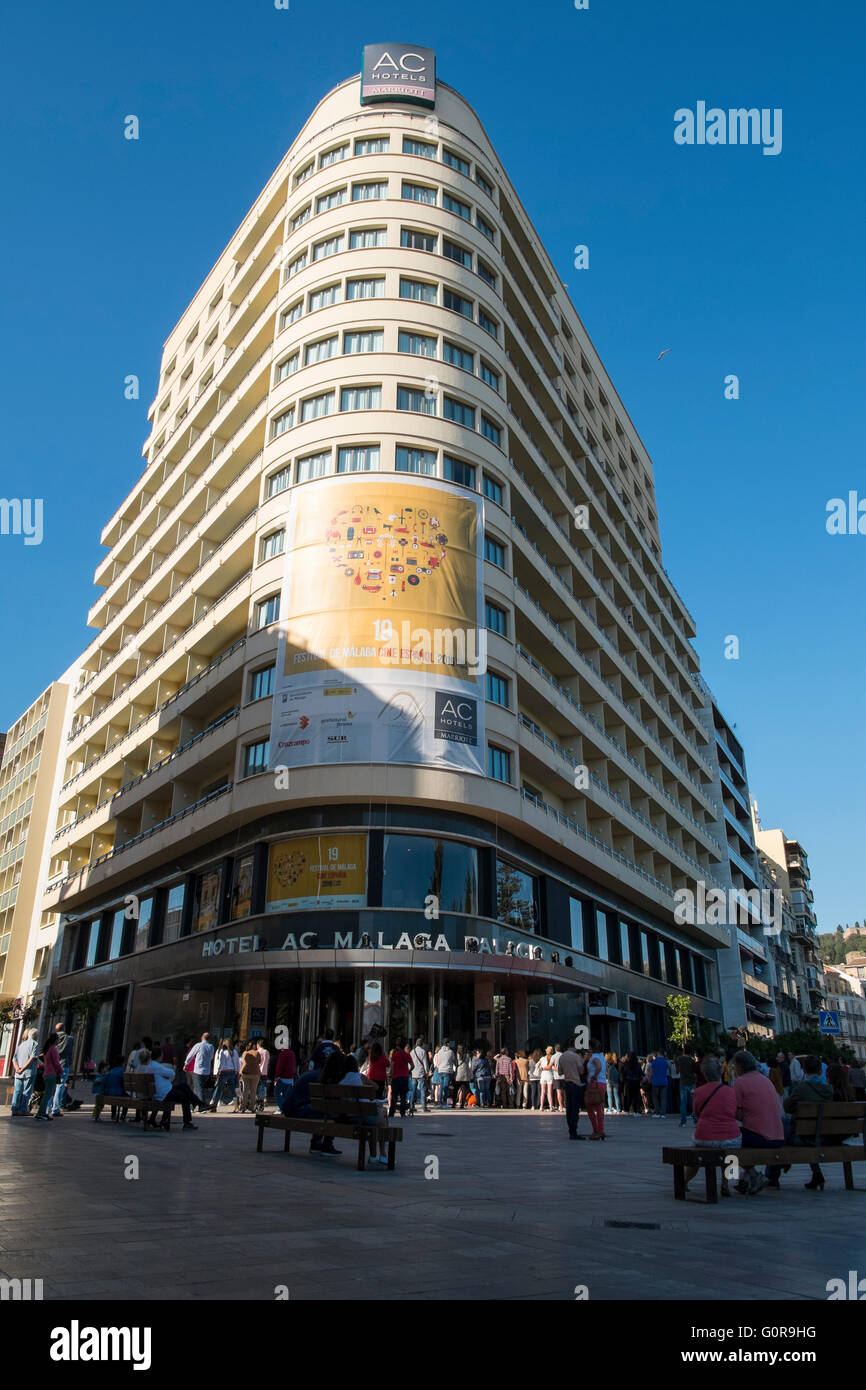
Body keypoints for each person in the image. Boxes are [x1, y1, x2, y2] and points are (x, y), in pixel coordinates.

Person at [683, 1056, 740, 1196]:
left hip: (705, 1135)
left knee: (696, 1153)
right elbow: (734, 1112)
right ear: (720, 1072)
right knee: (732, 1155)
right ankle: (727, 1183)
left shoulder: (699, 1092)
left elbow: (697, 1113)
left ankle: (684, 1180)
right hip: (729, 1135)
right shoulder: (730, 1091)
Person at [732, 1050, 785, 1194]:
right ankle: (746, 1178)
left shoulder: (740, 1082)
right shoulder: (765, 1079)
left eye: (734, 1066)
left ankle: (747, 1176)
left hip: (760, 1136)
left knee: (728, 1140)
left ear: (740, 1067)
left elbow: (737, 1113)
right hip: (778, 1135)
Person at [782, 1055, 834, 1190]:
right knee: (811, 1133)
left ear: (804, 1070)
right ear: (820, 1071)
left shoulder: (801, 1089)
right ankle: (817, 1174)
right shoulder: (829, 1090)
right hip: (825, 1135)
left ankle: (773, 1174)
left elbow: (787, 1106)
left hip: (803, 1136)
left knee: (781, 1125)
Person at [339, 1054, 390, 1166]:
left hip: (348, 1117)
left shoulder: (342, 1080)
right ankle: (383, 1153)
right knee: (382, 1113)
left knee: (377, 1117)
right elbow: (374, 1089)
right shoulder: (358, 1078)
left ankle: (374, 1155)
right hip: (360, 1116)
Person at [141, 1046, 200, 1130]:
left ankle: (198, 1103)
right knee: (185, 1096)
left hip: (155, 1093)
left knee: (184, 1086)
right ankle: (187, 1121)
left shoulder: (149, 1066)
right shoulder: (157, 1066)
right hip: (163, 1094)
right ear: (160, 1056)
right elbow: (172, 1074)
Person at [560, 1039, 586, 1139]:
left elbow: (560, 1071)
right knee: (575, 1109)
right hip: (575, 1083)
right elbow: (581, 1071)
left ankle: (571, 1129)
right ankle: (574, 1131)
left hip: (567, 1083)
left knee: (569, 1108)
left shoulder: (562, 1056)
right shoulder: (576, 1056)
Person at [48, 1023, 75, 1115]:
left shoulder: (52, 1038)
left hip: (53, 1065)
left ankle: (47, 1107)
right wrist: (69, 1063)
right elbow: (70, 1054)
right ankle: (55, 1108)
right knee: (60, 1087)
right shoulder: (70, 1039)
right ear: (64, 1028)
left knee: (51, 1086)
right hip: (64, 1064)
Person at [10, 1028, 39, 1115]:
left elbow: (14, 1059)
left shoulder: (21, 1044)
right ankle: (23, 1109)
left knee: (17, 1091)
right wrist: (23, 1068)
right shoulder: (35, 1044)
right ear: (36, 1036)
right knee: (27, 1091)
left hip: (18, 1072)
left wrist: (17, 1068)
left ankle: (14, 1109)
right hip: (29, 1072)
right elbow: (32, 1057)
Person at [34, 1034, 63, 1120]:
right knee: (48, 1095)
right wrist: (61, 1070)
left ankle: (42, 1112)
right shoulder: (53, 1049)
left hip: (46, 1073)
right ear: (55, 1040)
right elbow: (56, 1063)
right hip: (51, 1074)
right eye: (58, 1040)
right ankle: (41, 1113)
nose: (59, 1041)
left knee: (47, 1094)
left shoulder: (47, 1049)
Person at [93, 1055, 127, 1120]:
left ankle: (113, 1114)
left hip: (109, 1092)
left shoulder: (111, 1071)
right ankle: (123, 1115)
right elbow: (123, 1084)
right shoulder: (122, 1071)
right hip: (117, 1092)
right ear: (122, 1063)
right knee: (126, 1095)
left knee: (114, 1093)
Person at [584, 1040, 607, 1139]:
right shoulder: (602, 1056)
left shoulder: (594, 1057)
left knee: (590, 1107)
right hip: (602, 1083)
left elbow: (598, 1066)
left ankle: (596, 1130)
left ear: (591, 1048)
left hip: (595, 1084)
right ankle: (600, 1130)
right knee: (599, 1107)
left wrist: (594, 1076)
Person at [209, 1038, 240, 1109]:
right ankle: (236, 1107)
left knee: (219, 1090)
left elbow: (221, 1063)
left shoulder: (223, 1052)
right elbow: (237, 1063)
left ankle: (214, 1107)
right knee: (232, 1090)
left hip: (224, 1072)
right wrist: (237, 1072)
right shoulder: (235, 1052)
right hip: (232, 1072)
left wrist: (218, 1071)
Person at [184, 1033, 214, 1105]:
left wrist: (186, 1064)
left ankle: (202, 1106)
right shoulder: (211, 1047)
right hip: (206, 1071)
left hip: (198, 1070)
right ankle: (192, 1106)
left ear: (202, 1037)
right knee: (197, 1088)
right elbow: (211, 1057)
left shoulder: (198, 1045)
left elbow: (190, 1055)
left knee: (199, 1089)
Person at [388, 1038, 411, 1118]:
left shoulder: (395, 1055)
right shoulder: (406, 1055)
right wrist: (408, 1071)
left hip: (396, 1077)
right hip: (404, 1076)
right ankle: (402, 1112)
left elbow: (392, 1066)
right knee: (403, 1096)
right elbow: (412, 1065)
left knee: (394, 1095)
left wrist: (391, 1073)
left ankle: (391, 1112)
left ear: (397, 1046)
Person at [238, 1041, 261, 1114]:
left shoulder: (245, 1053)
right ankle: (252, 1107)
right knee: (253, 1091)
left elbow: (242, 1062)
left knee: (245, 1091)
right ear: (254, 1046)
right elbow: (259, 1062)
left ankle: (243, 1107)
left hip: (245, 1073)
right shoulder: (257, 1053)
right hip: (255, 1073)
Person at [274, 1039, 297, 1111]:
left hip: (283, 1077)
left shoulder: (283, 1053)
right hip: (290, 1077)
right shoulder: (292, 1053)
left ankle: (283, 1108)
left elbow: (280, 1066)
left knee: (277, 1092)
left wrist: (277, 1076)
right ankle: (286, 1107)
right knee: (285, 1094)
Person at [409, 1036, 430, 1114]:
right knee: (423, 1090)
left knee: (413, 1090)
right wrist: (427, 1072)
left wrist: (409, 1071)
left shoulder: (412, 1051)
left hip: (413, 1073)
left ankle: (411, 1106)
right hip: (421, 1073)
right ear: (422, 1044)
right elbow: (425, 1063)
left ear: (416, 1044)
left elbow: (409, 1063)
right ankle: (424, 1107)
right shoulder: (423, 1051)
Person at [677, 1049, 697, 1126]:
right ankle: (695, 1120)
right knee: (692, 1102)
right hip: (691, 1082)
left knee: (683, 1103)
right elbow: (694, 1072)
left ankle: (683, 1121)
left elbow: (677, 1070)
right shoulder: (692, 1061)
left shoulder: (680, 1059)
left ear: (684, 1052)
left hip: (682, 1082)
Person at [434, 1040, 455, 1107]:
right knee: (446, 1087)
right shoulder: (450, 1052)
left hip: (440, 1070)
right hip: (447, 1070)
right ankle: (445, 1102)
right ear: (447, 1044)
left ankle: (439, 1101)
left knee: (441, 1086)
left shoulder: (439, 1052)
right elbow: (453, 1060)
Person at [650, 1051, 669, 1117]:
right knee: (663, 1097)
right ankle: (663, 1113)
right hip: (664, 1081)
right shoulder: (665, 1061)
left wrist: (649, 1078)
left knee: (655, 1097)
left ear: (658, 1054)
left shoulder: (654, 1061)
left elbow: (651, 1071)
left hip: (655, 1081)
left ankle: (657, 1112)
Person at [539, 1046, 557, 1112]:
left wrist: (542, 1068)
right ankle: (551, 1107)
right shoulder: (553, 1057)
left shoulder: (542, 1058)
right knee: (549, 1092)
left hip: (543, 1075)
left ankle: (541, 1107)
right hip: (549, 1074)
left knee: (543, 1092)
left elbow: (537, 1065)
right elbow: (552, 1067)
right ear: (552, 1051)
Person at [255, 1038, 271, 1109]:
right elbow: (268, 1061)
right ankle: (263, 1100)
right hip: (265, 1072)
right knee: (263, 1086)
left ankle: (258, 1101)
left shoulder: (257, 1052)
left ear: (258, 1045)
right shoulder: (267, 1052)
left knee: (257, 1087)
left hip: (257, 1072)